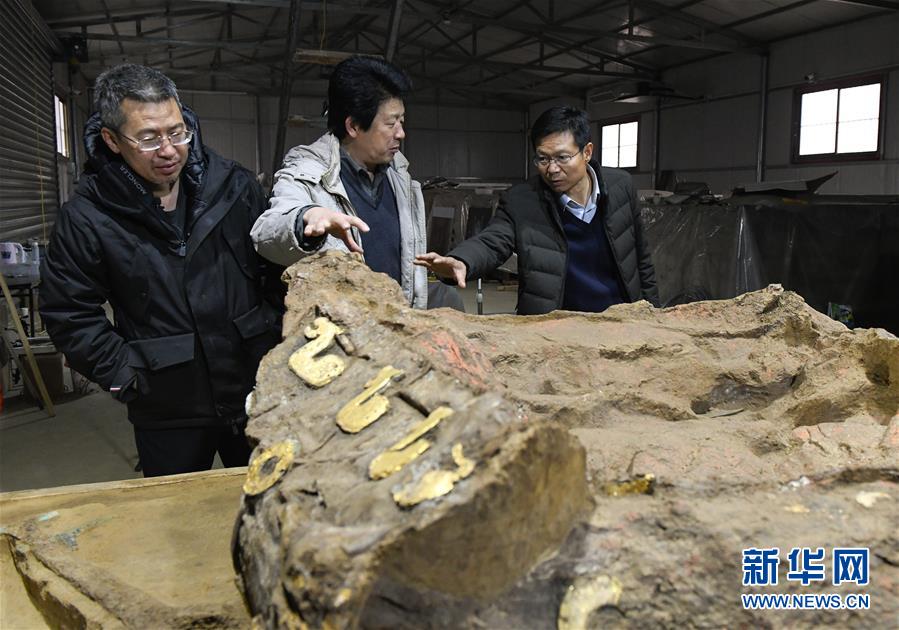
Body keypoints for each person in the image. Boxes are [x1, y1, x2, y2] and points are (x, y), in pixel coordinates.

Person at [39, 64, 285, 477]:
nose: (169, 150)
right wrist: (125, 374)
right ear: (112, 141)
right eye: (149, 139)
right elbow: (68, 313)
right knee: (174, 523)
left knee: (272, 508)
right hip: (169, 407)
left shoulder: (234, 186)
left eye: (176, 132)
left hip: (256, 391)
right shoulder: (89, 217)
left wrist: (276, 336)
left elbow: (275, 270)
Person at [415, 106, 659, 315]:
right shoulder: (523, 200)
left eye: (562, 158)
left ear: (587, 152)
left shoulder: (620, 186)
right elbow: (492, 241)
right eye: (543, 159)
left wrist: (653, 314)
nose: (552, 169)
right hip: (555, 327)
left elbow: (641, 260)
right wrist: (461, 261)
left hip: (619, 319)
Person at [251, 55, 433, 309]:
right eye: (391, 123)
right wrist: (306, 217)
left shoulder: (402, 178)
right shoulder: (307, 172)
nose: (401, 133)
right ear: (354, 125)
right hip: (337, 336)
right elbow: (267, 232)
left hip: (396, 332)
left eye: (401, 121)